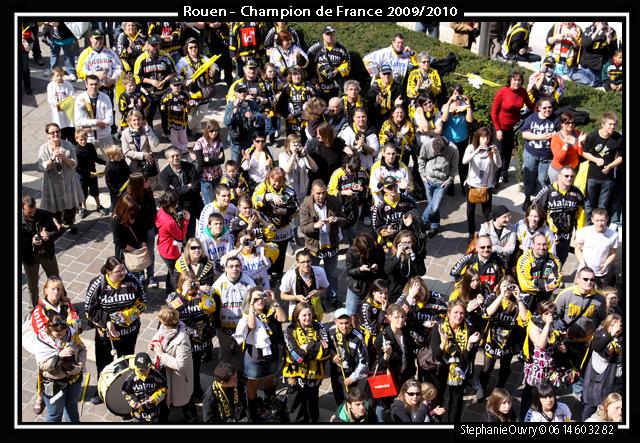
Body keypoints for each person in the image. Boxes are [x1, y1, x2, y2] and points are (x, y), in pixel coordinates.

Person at [85, 257, 147, 405]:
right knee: (104, 364)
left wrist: (128, 314)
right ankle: (101, 392)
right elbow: (90, 311)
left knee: (126, 363)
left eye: (123, 270)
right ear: (108, 271)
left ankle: (127, 390)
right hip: (106, 337)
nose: (122, 273)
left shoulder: (132, 280)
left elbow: (143, 302)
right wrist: (107, 321)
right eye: (118, 271)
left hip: (129, 333)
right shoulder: (97, 284)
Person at [166, 271, 218, 416]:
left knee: (195, 366)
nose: (193, 286)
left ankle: (196, 388)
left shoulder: (201, 295)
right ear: (181, 284)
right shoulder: (174, 297)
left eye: (195, 282)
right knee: (182, 368)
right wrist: (184, 295)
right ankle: (182, 393)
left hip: (199, 339)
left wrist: (200, 294)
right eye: (190, 283)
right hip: (183, 341)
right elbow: (169, 315)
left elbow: (211, 308)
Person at [232, 287, 286, 422]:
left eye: (261, 297)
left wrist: (274, 300)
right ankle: (252, 408)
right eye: (255, 299)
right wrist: (251, 306)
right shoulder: (248, 316)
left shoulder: (271, 311)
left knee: (270, 378)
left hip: (271, 354)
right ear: (250, 301)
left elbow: (283, 318)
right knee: (253, 383)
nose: (260, 301)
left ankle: (270, 403)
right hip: (255, 357)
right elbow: (251, 325)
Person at [29, 277, 81, 415]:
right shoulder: (39, 309)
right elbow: (43, 332)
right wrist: (61, 346)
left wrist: (70, 330)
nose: (56, 292)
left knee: (70, 365)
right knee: (43, 370)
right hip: (48, 348)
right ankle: (40, 396)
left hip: (65, 340)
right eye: (53, 289)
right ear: (46, 289)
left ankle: (68, 386)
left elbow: (75, 319)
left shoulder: (65, 304)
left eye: (59, 289)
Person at [554, 267, 607, 399]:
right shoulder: (565, 295)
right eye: (585, 279)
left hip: (585, 342)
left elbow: (602, 320)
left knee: (579, 368)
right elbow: (553, 315)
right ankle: (553, 390)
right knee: (559, 366)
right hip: (565, 340)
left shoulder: (600, 299)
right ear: (577, 278)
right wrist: (557, 334)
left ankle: (577, 392)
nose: (589, 282)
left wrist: (597, 335)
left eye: (592, 280)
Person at [476, 276, 528, 402]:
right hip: (492, 340)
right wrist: (500, 296)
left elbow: (525, 319)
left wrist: (519, 298)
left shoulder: (517, 302)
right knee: (487, 367)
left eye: (510, 286)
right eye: (505, 285)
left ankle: (499, 388)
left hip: (508, 342)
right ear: (499, 286)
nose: (507, 289)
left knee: (505, 367)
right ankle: (482, 386)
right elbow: (487, 313)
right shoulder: (493, 297)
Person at [519, 300, 573, 420]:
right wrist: (548, 325)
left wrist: (562, 347)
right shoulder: (534, 323)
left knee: (547, 393)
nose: (550, 316)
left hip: (551, 366)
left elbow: (560, 342)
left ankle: (545, 416)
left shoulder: (557, 323)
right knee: (531, 394)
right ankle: (525, 417)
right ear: (541, 313)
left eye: (552, 313)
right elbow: (541, 344)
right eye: (547, 313)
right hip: (536, 367)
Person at [430, 300, 482, 423]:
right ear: (448, 313)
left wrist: (469, 344)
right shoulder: (439, 327)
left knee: (456, 401)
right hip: (440, 368)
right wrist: (443, 342)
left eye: (462, 313)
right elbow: (436, 356)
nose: (458, 316)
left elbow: (468, 358)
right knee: (438, 398)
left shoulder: (469, 329)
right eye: (455, 312)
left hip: (459, 369)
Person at [299, 179, 346, 308]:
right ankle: (314, 300)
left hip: (331, 244)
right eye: (318, 193)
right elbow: (303, 228)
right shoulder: (305, 206)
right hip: (314, 247)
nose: (321, 196)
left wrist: (336, 219)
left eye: (323, 193)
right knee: (312, 274)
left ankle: (332, 296)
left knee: (331, 273)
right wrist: (315, 225)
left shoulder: (334, 201)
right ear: (312, 192)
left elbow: (344, 220)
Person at [282, 301, 330, 423]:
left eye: (309, 314)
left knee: (312, 401)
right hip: (294, 374)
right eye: (304, 315)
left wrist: (305, 347)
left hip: (314, 373)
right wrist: (315, 347)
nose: (307, 318)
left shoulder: (319, 327)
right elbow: (295, 356)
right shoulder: (289, 330)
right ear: (297, 315)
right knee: (295, 402)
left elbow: (325, 351)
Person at [33, 315, 86, 422]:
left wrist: (80, 366)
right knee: (55, 414)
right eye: (58, 334)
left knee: (72, 408)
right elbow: (42, 365)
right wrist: (58, 356)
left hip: (74, 380)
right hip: (54, 385)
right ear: (49, 331)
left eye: (64, 332)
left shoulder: (71, 333)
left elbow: (82, 349)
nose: (62, 336)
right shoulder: (42, 342)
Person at [395, 277, 448, 382]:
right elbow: (394, 313)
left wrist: (437, 323)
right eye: (415, 292)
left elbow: (448, 314)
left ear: (424, 286)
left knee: (425, 371)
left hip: (427, 343)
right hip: (409, 340)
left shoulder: (437, 299)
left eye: (420, 289)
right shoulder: (407, 298)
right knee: (408, 370)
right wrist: (410, 297)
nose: (419, 294)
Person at [148, 305, 195, 423]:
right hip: (164, 371)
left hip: (178, 377)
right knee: (164, 400)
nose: (160, 323)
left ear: (167, 322)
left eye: (162, 321)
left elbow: (181, 365)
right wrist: (153, 343)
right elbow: (158, 336)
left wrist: (161, 354)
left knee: (185, 399)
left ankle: (192, 419)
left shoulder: (182, 339)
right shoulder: (165, 327)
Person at [532, 165, 586, 265]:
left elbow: (581, 214)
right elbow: (533, 211)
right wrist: (536, 229)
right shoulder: (547, 191)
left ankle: (556, 277)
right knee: (543, 258)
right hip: (547, 234)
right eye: (566, 176)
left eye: (572, 176)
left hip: (566, 234)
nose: (569, 178)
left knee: (560, 259)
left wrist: (579, 233)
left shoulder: (577, 193)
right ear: (559, 176)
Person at [252, 167, 300, 278]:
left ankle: (278, 274)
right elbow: (254, 201)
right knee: (266, 252)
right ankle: (266, 274)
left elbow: (296, 207)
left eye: (280, 181)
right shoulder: (262, 187)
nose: (277, 184)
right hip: (266, 229)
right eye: (275, 181)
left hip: (283, 230)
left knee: (281, 253)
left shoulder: (289, 191)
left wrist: (285, 211)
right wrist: (268, 197)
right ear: (269, 178)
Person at [38, 123, 85, 233]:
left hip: (68, 180)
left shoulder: (68, 145)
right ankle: (58, 224)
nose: (55, 134)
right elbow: (41, 167)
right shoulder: (43, 148)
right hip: (52, 182)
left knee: (70, 203)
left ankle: (70, 222)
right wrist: (52, 159)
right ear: (48, 135)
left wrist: (63, 157)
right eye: (52, 132)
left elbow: (74, 164)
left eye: (57, 131)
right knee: (54, 204)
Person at [373, 304, 417, 421]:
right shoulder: (381, 338)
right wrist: (387, 354)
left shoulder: (406, 331)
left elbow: (410, 354)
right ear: (389, 318)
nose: (400, 320)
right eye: (397, 317)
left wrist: (412, 372)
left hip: (404, 376)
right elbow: (380, 364)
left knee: (402, 402)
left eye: (402, 317)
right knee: (383, 405)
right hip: (389, 377)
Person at [490, 70, 534, 184]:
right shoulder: (502, 92)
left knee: (508, 151)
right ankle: (494, 180)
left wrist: (541, 113)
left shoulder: (523, 92)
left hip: (513, 128)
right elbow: (493, 112)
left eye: (519, 80)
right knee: (498, 153)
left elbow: (531, 106)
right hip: (499, 127)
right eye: (515, 80)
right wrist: (498, 130)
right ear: (510, 80)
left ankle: (504, 174)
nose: (517, 82)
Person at [76, 28, 122, 134]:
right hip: (92, 87)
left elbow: (119, 67)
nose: (99, 41)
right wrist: (94, 74)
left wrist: (113, 79)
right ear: (91, 39)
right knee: (90, 109)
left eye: (101, 38)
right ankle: (91, 130)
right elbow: (79, 71)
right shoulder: (86, 53)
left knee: (109, 109)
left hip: (107, 86)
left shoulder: (110, 52)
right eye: (96, 39)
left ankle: (113, 130)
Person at [580, 112, 624, 220]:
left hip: (608, 178)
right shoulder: (593, 136)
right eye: (610, 124)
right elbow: (584, 153)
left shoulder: (618, 138)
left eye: (614, 124)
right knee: (589, 204)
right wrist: (595, 159)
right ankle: (588, 227)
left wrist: (610, 166)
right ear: (603, 124)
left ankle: (601, 228)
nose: (612, 127)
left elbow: (621, 157)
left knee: (603, 206)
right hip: (592, 176)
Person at [211, 256, 256, 359]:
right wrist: (215, 322)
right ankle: (222, 372)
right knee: (225, 351)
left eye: (237, 266)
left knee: (242, 352)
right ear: (225, 268)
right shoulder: (217, 285)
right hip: (223, 326)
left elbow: (254, 303)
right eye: (231, 266)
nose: (234, 269)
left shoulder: (249, 283)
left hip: (242, 325)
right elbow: (212, 307)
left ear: (241, 267)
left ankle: (241, 371)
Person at [133, 35, 177, 138]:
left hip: (164, 91)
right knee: (148, 115)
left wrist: (165, 80)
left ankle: (165, 132)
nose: (155, 48)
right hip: (148, 93)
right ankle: (151, 134)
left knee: (165, 113)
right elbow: (137, 76)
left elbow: (173, 73)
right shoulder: (141, 59)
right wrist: (151, 82)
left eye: (157, 45)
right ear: (147, 45)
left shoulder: (166, 56)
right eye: (153, 45)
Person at [462, 128, 502, 240]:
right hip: (472, 185)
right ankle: (471, 233)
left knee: (487, 212)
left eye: (488, 137)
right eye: (483, 137)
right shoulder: (471, 147)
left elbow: (499, 164)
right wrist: (477, 150)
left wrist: (496, 153)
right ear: (478, 137)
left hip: (486, 185)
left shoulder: (491, 149)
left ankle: (489, 232)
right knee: (470, 211)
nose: (485, 140)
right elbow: (464, 161)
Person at [21, 195, 61, 308]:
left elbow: (57, 231)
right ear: (22, 209)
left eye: (33, 211)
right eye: (29, 213)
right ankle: (33, 309)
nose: (32, 215)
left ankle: (61, 305)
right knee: (32, 286)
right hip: (30, 258)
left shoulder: (45, 214)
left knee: (56, 282)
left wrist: (49, 235)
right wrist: (31, 242)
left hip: (47, 254)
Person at [581, 314, 623, 421]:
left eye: (619, 325)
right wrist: (612, 334)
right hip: (598, 379)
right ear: (607, 324)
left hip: (616, 380)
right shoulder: (600, 334)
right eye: (612, 325)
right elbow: (599, 348)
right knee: (591, 406)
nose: (617, 328)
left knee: (613, 407)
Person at [176, 37, 218, 137]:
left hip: (205, 90)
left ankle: (188, 127)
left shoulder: (204, 58)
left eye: (195, 47)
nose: (193, 49)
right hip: (190, 92)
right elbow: (178, 77)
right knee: (194, 112)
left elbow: (214, 65)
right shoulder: (182, 62)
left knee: (202, 113)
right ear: (187, 49)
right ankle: (198, 131)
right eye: (190, 47)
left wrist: (214, 71)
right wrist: (185, 82)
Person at [327, 308, 369, 407]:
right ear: (335, 322)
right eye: (341, 323)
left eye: (346, 323)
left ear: (350, 321)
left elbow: (364, 361)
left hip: (352, 374)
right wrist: (332, 356)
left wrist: (353, 377)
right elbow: (326, 348)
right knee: (339, 397)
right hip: (337, 373)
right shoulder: (331, 332)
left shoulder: (357, 337)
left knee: (353, 400)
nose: (344, 326)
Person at [418, 135, 459, 236]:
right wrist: (423, 176)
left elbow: (454, 168)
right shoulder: (426, 145)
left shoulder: (453, 149)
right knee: (431, 204)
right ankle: (434, 226)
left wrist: (450, 180)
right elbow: (421, 159)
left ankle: (422, 222)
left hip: (441, 183)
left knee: (434, 207)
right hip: (428, 180)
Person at [159, 147, 203, 240]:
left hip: (195, 204)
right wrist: (187, 187)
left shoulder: (190, 167)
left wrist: (177, 190)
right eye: (172, 156)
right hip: (179, 207)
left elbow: (196, 187)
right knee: (180, 235)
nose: (176, 158)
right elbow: (170, 195)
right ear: (168, 159)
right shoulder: (164, 175)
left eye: (177, 155)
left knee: (197, 231)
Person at [521, 97, 556, 210]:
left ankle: (540, 202)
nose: (547, 110)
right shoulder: (532, 117)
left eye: (549, 107)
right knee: (529, 177)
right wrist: (540, 137)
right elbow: (524, 134)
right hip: (530, 153)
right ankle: (527, 199)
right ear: (539, 108)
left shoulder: (555, 119)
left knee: (543, 180)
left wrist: (556, 135)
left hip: (547, 156)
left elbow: (562, 134)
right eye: (544, 108)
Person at [345, 233, 386, 327]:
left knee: (371, 310)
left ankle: (367, 328)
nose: (367, 253)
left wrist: (377, 267)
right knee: (352, 312)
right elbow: (349, 271)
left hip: (372, 285)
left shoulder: (378, 249)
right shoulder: (352, 251)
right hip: (357, 287)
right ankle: (355, 329)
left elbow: (383, 265)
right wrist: (360, 269)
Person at [279, 249, 330, 321]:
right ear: (297, 263)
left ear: (311, 261)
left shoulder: (319, 271)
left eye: (308, 261)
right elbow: (282, 295)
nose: (306, 265)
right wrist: (296, 297)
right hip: (297, 311)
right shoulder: (289, 276)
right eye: (302, 262)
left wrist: (319, 292)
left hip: (315, 310)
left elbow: (325, 288)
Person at [440, 85, 473, 195]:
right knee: (449, 164)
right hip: (449, 140)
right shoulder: (446, 106)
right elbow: (444, 119)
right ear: (451, 95)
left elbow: (470, 120)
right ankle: (450, 187)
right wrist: (449, 105)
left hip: (463, 139)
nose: (457, 96)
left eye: (459, 93)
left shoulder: (465, 106)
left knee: (463, 165)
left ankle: (464, 186)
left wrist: (468, 104)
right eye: (454, 93)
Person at [517, 233, 563, 310]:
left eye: (544, 244)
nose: (542, 247)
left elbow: (556, 283)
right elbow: (525, 286)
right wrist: (547, 283)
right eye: (538, 244)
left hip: (546, 298)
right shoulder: (524, 260)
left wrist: (535, 282)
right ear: (533, 245)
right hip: (528, 298)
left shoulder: (554, 259)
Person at [155, 190, 190, 292]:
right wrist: (186, 220)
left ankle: (168, 290)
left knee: (170, 271)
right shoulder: (169, 222)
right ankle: (173, 292)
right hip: (170, 251)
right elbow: (180, 235)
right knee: (174, 274)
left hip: (163, 246)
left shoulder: (161, 210)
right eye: (176, 203)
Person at [575, 208, 619, 288]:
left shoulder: (613, 235)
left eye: (602, 220)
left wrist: (606, 264)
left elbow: (613, 253)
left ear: (607, 219)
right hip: (584, 272)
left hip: (601, 273)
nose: (600, 223)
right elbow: (577, 249)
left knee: (599, 297)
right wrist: (582, 263)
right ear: (592, 220)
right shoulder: (584, 232)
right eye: (597, 220)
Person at [372, 177, 420, 249]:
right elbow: (376, 227)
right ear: (385, 189)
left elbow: (417, 210)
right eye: (389, 187)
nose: (393, 189)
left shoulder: (407, 199)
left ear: (397, 186)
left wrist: (409, 216)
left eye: (394, 186)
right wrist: (386, 229)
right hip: (390, 243)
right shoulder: (380, 206)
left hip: (406, 238)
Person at [328, 155, 369, 237]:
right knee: (339, 228)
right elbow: (329, 191)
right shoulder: (338, 173)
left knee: (352, 227)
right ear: (346, 164)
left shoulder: (362, 172)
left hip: (357, 206)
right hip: (340, 206)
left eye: (355, 171)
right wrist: (343, 192)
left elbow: (369, 187)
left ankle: (352, 243)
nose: (352, 173)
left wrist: (361, 188)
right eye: (350, 170)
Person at [306, 25, 351, 101]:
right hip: (318, 85)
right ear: (323, 35)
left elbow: (348, 64)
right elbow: (307, 65)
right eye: (327, 34)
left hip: (335, 85)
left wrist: (338, 70)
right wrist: (312, 79)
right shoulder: (315, 49)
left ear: (335, 35)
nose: (330, 36)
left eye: (332, 34)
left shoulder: (342, 49)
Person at [224, 82, 264, 162]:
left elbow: (261, 118)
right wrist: (234, 109)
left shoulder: (252, 104)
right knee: (236, 165)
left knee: (249, 165)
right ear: (235, 93)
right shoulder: (230, 106)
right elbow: (226, 122)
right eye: (240, 91)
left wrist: (253, 116)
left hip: (249, 140)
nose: (243, 93)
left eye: (244, 91)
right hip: (236, 143)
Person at [122, 352, 168, 422]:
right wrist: (131, 401)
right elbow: (125, 391)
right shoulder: (131, 378)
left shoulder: (156, 375)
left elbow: (164, 388)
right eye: (140, 370)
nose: (143, 372)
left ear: (150, 366)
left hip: (155, 412)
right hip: (139, 413)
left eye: (145, 369)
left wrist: (155, 397)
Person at [74, 74, 114, 154]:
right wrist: (96, 122)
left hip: (105, 136)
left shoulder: (105, 97)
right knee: (88, 163)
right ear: (86, 85)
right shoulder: (80, 98)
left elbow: (110, 121)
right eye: (91, 84)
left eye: (96, 84)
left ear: (99, 84)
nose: (94, 87)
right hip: (88, 138)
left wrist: (91, 127)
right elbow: (78, 121)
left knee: (111, 160)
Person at [74, 129, 108, 218]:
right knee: (83, 192)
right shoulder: (76, 151)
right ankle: (84, 207)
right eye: (81, 140)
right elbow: (77, 168)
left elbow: (95, 158)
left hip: (93, 173)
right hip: (82, 176)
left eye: (85, 139)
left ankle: (98, 205)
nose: (83, 141)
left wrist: (105, 163)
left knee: (95, 190)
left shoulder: (90, 147)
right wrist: (88, 174)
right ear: (76, 139)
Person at [279, 133, 318, 204]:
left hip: (303, 191)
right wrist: (294, 154)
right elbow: (286, 170)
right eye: (294, 142)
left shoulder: (302, 156)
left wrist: (306, 155)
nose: (296, 144)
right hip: (290, 191)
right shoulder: (283, 155)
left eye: (298, 142)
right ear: (288, 144)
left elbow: (315, 168)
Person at [369, 143, 412, 208]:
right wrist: (380, 183)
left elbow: (406, 189)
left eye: (393, 154)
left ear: (396, 153)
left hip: (398, 204)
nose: (391, 156)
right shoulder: (376, 167)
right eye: (388, 153)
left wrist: (402, 189)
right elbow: (373, 189)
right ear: (383, 153)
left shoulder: (403, 167)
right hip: (381, 204)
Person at [548, 112, 586, 183]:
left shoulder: (577, 133)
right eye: (567, 123)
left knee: (570, 193)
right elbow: (559, 159)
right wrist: (565, 145)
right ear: (562, 124)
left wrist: (581, 143)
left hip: (571, 171)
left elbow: (580, 154)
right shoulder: (556, 138)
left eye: (572, 122)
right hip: (558, 171)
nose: (571, 125)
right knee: (558, 193)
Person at [194, 120, 226, 205]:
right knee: (210, 203)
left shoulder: (218, 142)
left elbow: (222, 160)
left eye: (216, 130)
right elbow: (200, 162)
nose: (214, 133)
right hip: (205, 178)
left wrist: (207, 159)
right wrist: (216, 160)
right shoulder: (199, 143)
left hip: (217, 175)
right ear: (207, 130)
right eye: (211, 130)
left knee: (218, 201)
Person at [121, 110, 159, 180]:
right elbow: (126, 152)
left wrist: (148, 131)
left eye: (139, 119)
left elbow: (155, 145)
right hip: (133, 165)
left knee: (150, 186)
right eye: (134, 120)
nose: (137, 122)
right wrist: (143, 155)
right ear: (130, 122)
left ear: (142, 120)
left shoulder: (147, 129)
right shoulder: (125, 133)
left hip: (148, 163)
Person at [339, 107, 380, 172]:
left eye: (363, 117)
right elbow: (343, 150)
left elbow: (375, 152)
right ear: (354, 118)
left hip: (367, 169)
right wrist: (356, 147)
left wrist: (364, 145)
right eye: (358, 117)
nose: (361, 119)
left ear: (366, 117)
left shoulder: (372, 131)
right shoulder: (347, 131)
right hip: (350, 170)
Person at [160, 79, 195, 155]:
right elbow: (162, 102)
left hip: (182, 119)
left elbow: (190, 103)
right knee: (174, 136)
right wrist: (163, 108)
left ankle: (184, 148)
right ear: (171, 86)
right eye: (175, 85)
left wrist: (190, 105)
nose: (177, 87)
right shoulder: (167, 95)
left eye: (178, 85)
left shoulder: (185, 94)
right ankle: (176, 149)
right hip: (172, 119)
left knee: (183, 135)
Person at [305, 122, 346, 186]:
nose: (317, 135)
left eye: (320, 134)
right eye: (317, 133)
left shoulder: (339, 143)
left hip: (334, 179)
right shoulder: (313, 144)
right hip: (316, 179)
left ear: (327, 134)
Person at [366, 63, 404, 131]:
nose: (386, 76)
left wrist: (396, 105)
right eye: (384, 74)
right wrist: (377, 104)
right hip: (377, 118)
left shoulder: (398, 87)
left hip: (392, 116)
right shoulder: (374, 89)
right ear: (380, 75)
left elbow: (401, 104)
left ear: (391, 74)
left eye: (388, 74)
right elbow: (370, 109)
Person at [580, 22, 619, 87]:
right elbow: (585, 44)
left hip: (601, 67)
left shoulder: (611, 31)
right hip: (588, 65)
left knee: (598, 83)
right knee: (591, 82)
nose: (601, 23)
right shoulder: (589, 30)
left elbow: (613, 52)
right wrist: (597, 31)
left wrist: (610, 41)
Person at [46, 67, 75, 142]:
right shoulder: (51, 86)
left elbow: (72, 96)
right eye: (57, 75)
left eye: (61, 75)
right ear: (53, 76)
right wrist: (56, 103)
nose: (59, 77)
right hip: (58, 114)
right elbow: (50, 99)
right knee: (61, 136)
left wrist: (66, 103)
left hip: (68, 113)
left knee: (71, 137)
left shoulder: (68, 85)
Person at [104, 145, 130, 211]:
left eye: (120, 153)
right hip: (116, 191)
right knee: (116, 206)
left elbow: (128, 170)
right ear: (111, 156)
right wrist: (116, 191)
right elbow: (109, 182)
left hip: (126, 187)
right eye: (118, 154)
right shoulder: (109, 167)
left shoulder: (122, 161)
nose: (121, 155)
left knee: (126, 203)